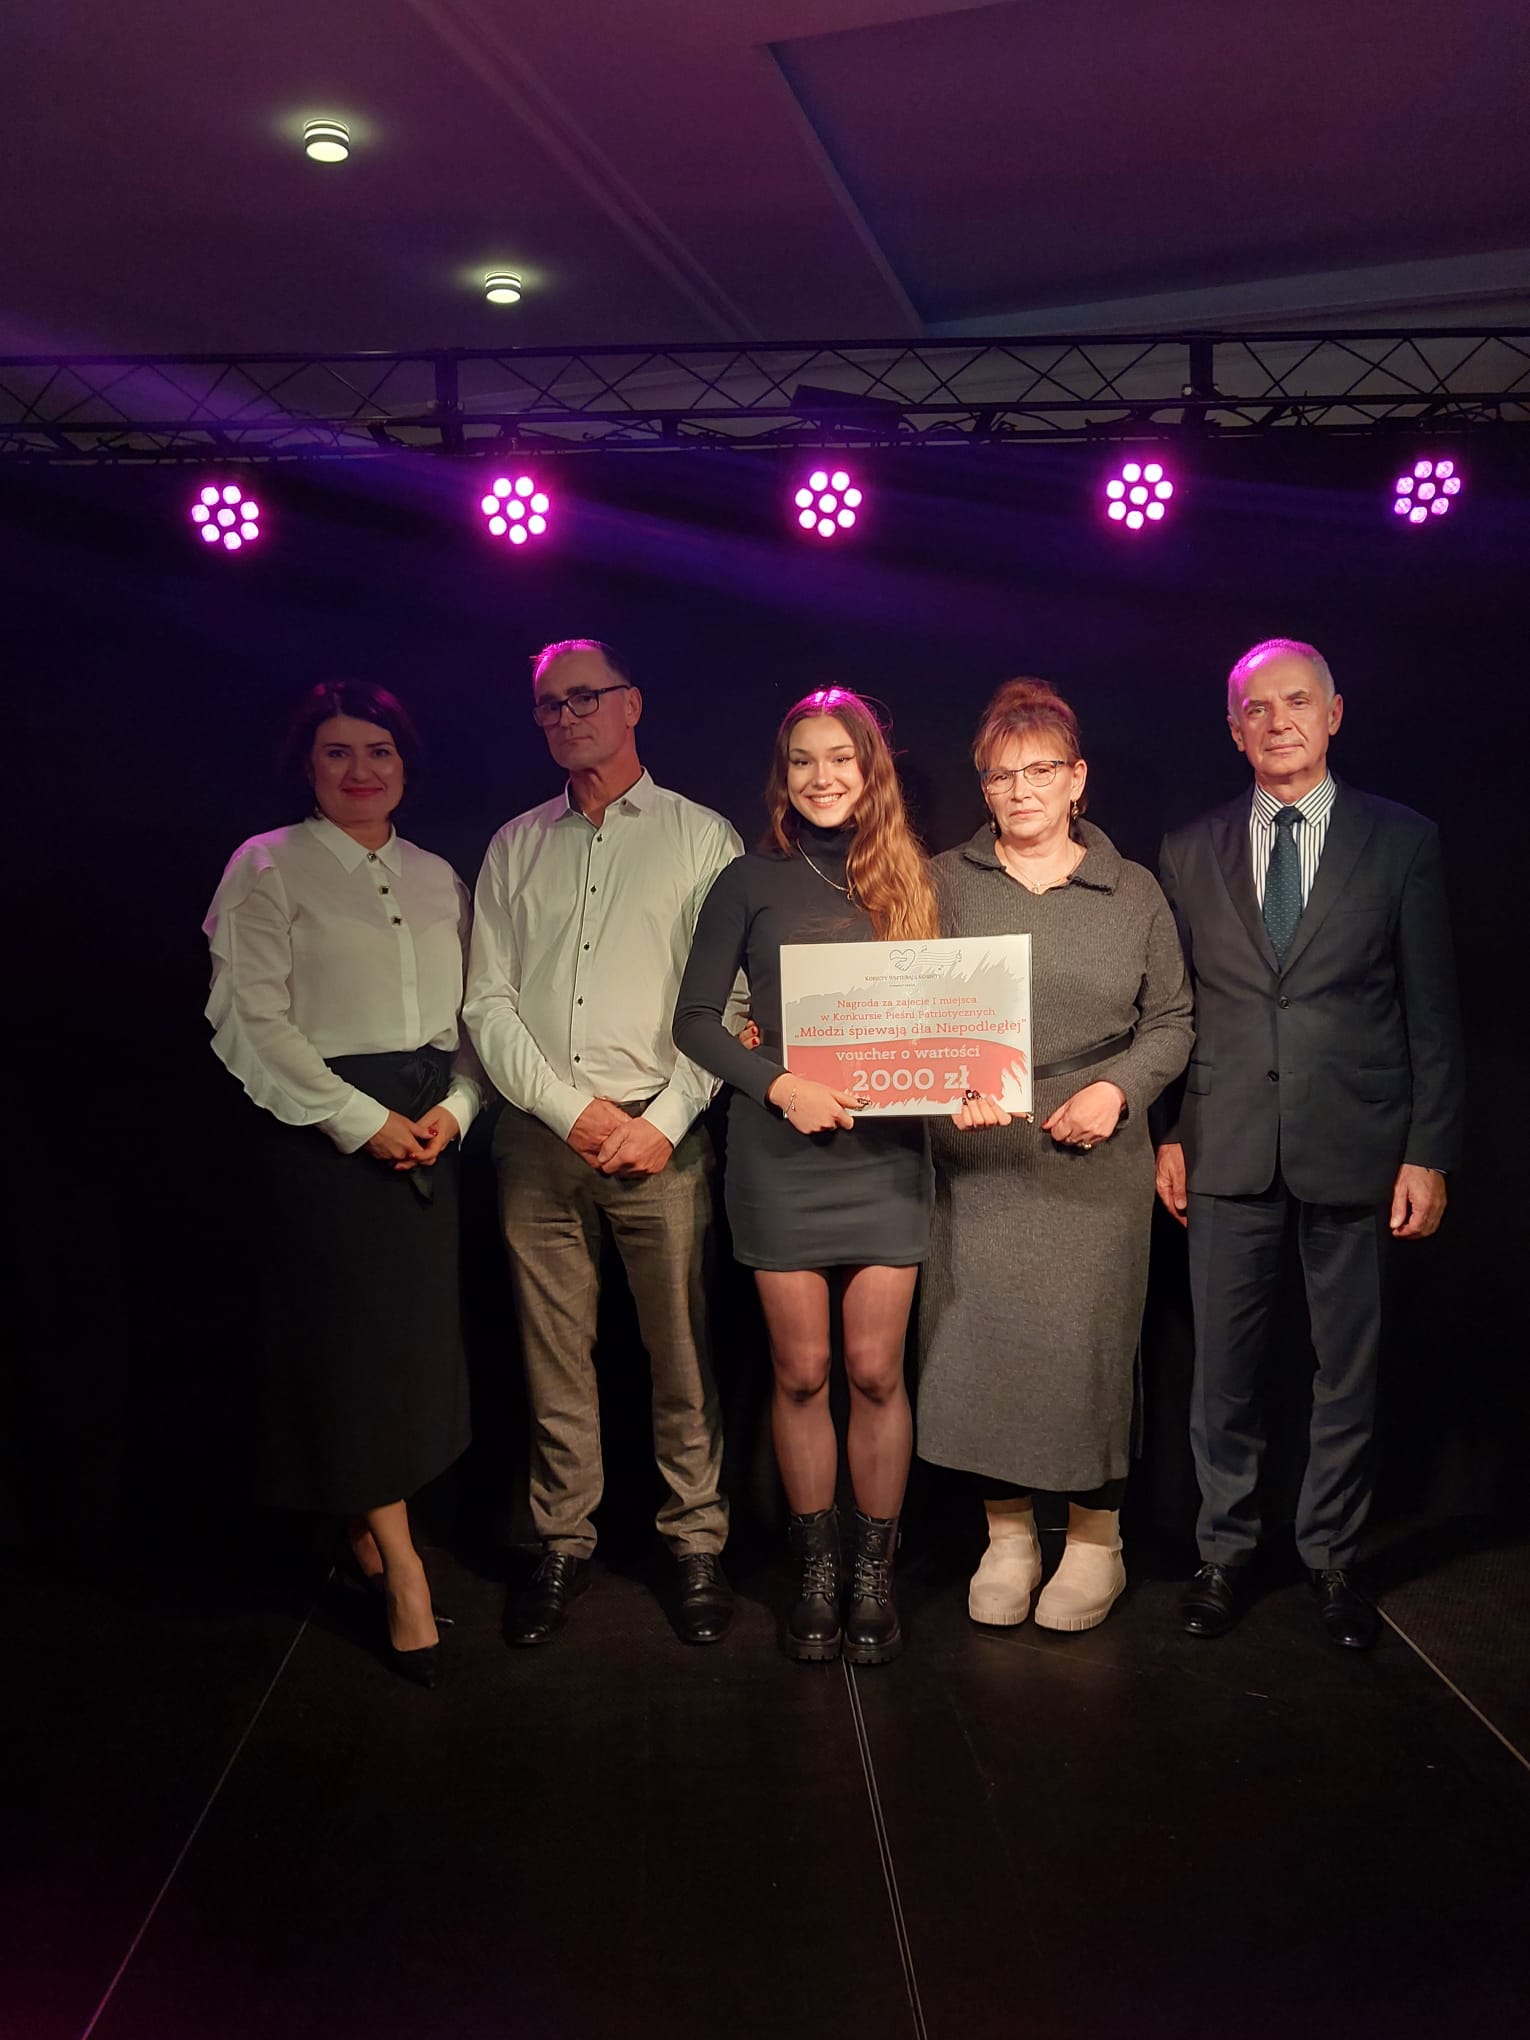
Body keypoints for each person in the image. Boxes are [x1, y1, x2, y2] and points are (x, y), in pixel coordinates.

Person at [1155, 638, 1464, 1648]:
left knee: (1346, 1367)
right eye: (1257, 707)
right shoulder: (1188, 849)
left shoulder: (1402, 840)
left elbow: (1433, 1014)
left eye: (1297, 702)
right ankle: (1223, 1553)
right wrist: (1170, 1132)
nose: (1277, 720)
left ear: (1334, 715)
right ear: (1233, 727)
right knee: (1221, 1370)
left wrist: (1428, 1151)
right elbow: (1172, 1011)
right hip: (1224, 1142)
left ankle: (1331, 1558)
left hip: (1360, 1146)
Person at [204, 681, 482, 1689]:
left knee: (410, 1354)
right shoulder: (266, 864)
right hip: (322, 1137)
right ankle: (403, 1571)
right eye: (337, 752)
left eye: (379, 751)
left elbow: (477, 1015)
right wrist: (360, 1123)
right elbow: (251, 1019)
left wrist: (458, 1107)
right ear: (307, 766)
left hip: (431, 1133)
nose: (362, 770)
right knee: (348, 1354)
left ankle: (366, 1529)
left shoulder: (438, 874)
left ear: (405, 763)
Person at [465, 640, 743, 1647]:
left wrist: (663, 1121)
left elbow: (733, 1001)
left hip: (663, 1136)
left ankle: (696, 1541)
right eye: (549, 705)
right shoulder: (514, 845)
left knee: (682, 1356)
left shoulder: (701, 837)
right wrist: (562, 1109)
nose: (567, 717)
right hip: (542, 1140)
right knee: (553, 1360)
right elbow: (486, 1002)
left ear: (632, 705)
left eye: (585, 698)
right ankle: (561, 1541)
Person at [918, 679, 1193, 1632]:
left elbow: (1173, 1018)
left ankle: (1094, 1542)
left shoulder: (1132, 889)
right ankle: (1007, 1539)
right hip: (977, 1156)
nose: (1021, 790)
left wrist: (1120, 1093)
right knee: (982, 1345)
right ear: (983, 789)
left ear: (1078, 779)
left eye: (1040, 772)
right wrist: (940, 1083)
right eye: (1001, 776)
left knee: (1087, 1350)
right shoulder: (942, 880)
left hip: (1095, 1155)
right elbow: (905, 1004)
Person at [673, 687, 936, 1665]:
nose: (822, 777)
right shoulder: (748, 880)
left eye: (840, 758)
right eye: (802, 760)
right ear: (782, 777)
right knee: (803, 1371)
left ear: (871, 770)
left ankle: (873, 1574)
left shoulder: (916, 879)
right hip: (783, 1152)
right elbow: (695, 1021)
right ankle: (816, 1572)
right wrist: (781, 1085)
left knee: (874, 1371)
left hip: (886, 1156)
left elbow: (953, 1018)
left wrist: (974, 1083)